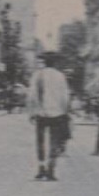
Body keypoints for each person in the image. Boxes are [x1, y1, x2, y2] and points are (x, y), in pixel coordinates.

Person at [28, 52, 70, 181]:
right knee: (54, 141)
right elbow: (65, 97)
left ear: (45, 62)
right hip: (57, 113)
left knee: (40, 141)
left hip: (41, 113)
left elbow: (32, 96)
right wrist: (65, 111)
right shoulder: (60, 76)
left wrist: (32, 112)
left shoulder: (37, 75)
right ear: (55, 63)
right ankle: (51, 169)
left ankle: (41, 168)